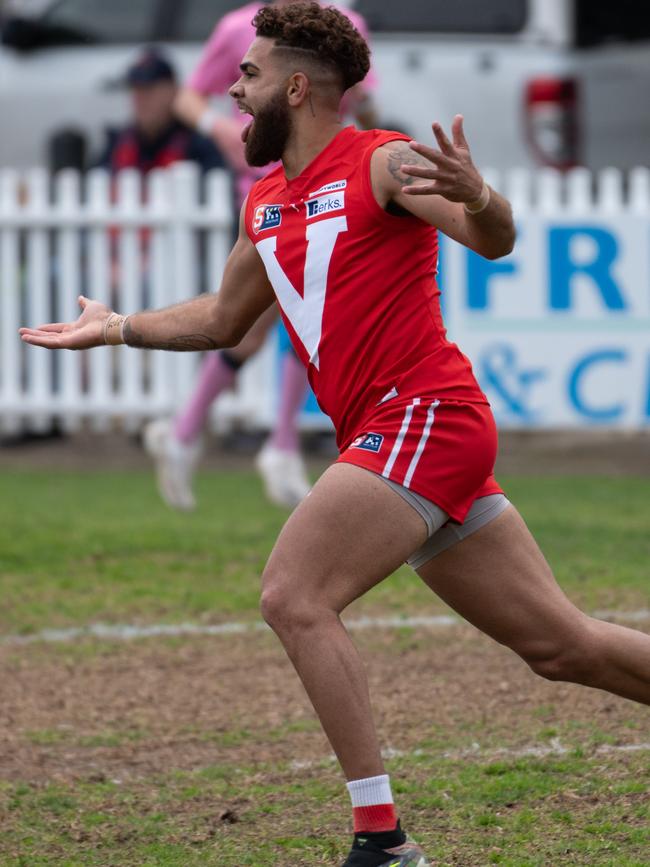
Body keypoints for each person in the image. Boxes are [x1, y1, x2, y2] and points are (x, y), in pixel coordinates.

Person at [20, 4, 650, 866]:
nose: (231, 93)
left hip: (424, 414)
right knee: (561, 646)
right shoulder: (266, 202)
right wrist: (120, 325)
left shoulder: (384, 161)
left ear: (295, 85)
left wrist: (485, 198)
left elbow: (491, 240)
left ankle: (381, 838)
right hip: (401, 435)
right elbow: (221, 319)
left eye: (245, 76)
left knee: (293, 594)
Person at [143, 0, 380, 512]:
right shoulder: (238, 27)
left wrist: (372, 148)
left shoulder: (346, 24)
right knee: (255, 321)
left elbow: (360, 100)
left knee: (293, 317)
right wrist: (219, 129)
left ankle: (217, 436)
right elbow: (190, 97)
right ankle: (260, 443)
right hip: (263, 196)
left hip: (326, 189)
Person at [95, 48, 225, 177]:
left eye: (148, 90)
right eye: (135, 89)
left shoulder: (199, 145)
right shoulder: (117, 143)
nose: (140, 99)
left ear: (173, 90)